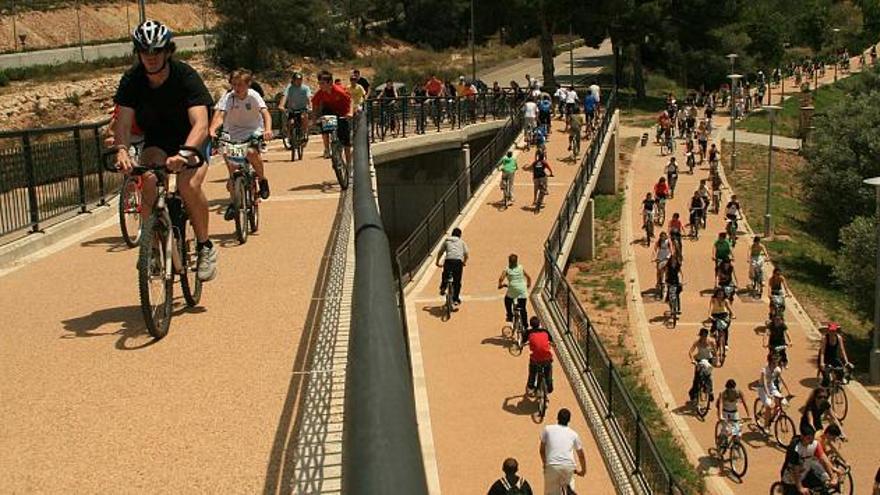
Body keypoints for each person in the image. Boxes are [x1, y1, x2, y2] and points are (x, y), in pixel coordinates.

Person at [112, 20, 217, 281]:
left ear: (167, 51)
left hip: (191, 138)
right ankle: (154, 248)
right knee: (147, 178)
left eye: (156, 51)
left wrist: (184, 154)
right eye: (144, 51)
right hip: (158, 140)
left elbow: (201, 123)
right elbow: (123, 121)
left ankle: (205, 246)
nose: (150, 57)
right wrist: (122, 150)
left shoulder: (185, 75)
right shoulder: (132, 80)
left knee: (187, 185)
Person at [209, 69, 274, 220]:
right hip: (233, 132)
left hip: (253, 130)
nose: (237, 88)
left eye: (240, 85)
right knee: (230, 161)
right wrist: (212, 129)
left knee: (251, 152)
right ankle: (235, 200)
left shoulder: (253, 95)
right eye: (234, 84)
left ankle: (262, 179)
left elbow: (265, 113)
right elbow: (219, 115)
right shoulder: (228, 97)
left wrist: (268, 129)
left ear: (248, 84)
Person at [780, 425, 839, 495]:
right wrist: (800, 487)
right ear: (802, 436)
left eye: (812, 438)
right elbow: (795, 470)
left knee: (823, 490)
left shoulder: (815, 444)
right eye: (808, 438)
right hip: (791, 479)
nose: (811, 441)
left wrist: (832, 477)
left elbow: (823, 459)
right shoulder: (795, 449)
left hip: (806, 474)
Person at [539, 408, 587, 495]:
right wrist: (582, 471)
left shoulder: (547, 429)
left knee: (550, 492)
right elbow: (581, 455)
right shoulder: (574, 434)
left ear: (557, 418)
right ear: (569, 420)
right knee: (569, 491)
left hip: (552, 465)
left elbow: (542, 450)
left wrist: (545, 464)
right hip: (568, 466)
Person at [311, 70, 353, 163]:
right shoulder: (321, 93)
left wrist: (350, 113)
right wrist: (314, 119)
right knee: (324, 122)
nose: (320, 85)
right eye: (319, 83)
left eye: (322, 83)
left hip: (343, 113)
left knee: (346, 140)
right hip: (331, 112)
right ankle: (327, 148)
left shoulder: (339, 91)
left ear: (330, 83)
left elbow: (351, 101)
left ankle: (349, 164)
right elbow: (315, 104)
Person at [436, 227, 469, 305]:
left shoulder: (447, 241)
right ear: (460, 235)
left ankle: (443, 287)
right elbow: (466, 253)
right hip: (458, 262)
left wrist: (437, 262)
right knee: (457, 281)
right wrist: (464, 262)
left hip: (448, 261)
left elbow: (440, 252)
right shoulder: (461, 242)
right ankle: (455, 299)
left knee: (445, 274)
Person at [522, 316, 554, 395]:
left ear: (530, 324)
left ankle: (531, 386)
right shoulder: (545, 331)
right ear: (539, 324)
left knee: (532, 372)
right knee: (548, 371)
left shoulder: (528, 332)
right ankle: (549, 386)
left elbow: (523, 342)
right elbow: (551, 340)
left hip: (536, 359)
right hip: (547, 358)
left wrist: (521, 345)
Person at [278, 71, 312, 144]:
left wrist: (310, 106)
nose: (299, 81)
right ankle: (290, 137)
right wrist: (281, 105)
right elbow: (285, 96)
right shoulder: (289, 88)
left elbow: (309, 98)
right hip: (292, 109)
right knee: (291, 122)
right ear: (293, 80)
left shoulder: (305, 88)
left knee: (304, 117)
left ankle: (305, 133)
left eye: (300, 80)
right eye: (297, 80)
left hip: (302, 108)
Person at [758, 351, 791, 428]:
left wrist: (788, 391)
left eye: (777, 361)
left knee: (782, 403)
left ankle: (771, 417)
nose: (776, 364)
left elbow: (781, 379)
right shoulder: (764, 371)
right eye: (774, 362)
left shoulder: (777, 369)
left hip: (772, 387)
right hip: (763, 389)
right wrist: (768, 394)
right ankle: (766, 426)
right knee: (769, 406)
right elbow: (765, 383)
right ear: (770, 361)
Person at [499, 254, 532, 325]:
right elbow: (528, 277)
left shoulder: (507, 269)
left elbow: (501, 278)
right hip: (522, 289)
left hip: (512, 288)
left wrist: (500, 285)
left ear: (509, 261)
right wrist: (528, 284)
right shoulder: (521, 267)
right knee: (523, 308)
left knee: (507, 300)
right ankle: (525, 325)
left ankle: (510, 315)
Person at [818, 323, 852, 388]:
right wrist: (821, 363)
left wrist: (846, 362)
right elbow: (822, 352)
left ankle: (836, 384)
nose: (832, 332)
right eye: (831, 331)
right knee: (826, 379)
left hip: (834, 358)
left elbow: (842, 350)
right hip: (825, 359)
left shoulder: (839, 338)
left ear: (836, 331)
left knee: (841, 371)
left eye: (834, 331)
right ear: (828, 330)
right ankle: (823, 391)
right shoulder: (825, 338)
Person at [688, 328, 717, 402]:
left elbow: (715, 352)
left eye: (705, 335)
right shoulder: (697, 342)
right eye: (702, 335)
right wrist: (693, 360)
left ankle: (710, 392)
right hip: (699, 360)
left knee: (709, 376)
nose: (703, 337)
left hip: (708, 360)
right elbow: (690, 352)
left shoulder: (711, 342)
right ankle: (693, 394)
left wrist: (715, 360)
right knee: (697, 377)